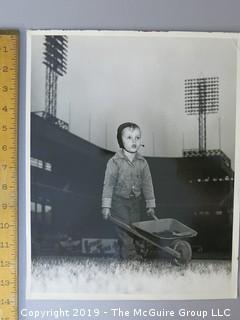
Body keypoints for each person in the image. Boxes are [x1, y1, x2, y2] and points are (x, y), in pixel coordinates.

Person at [101, 122, 156, 259]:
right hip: (118, 200)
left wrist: (150, 205)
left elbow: (147, 184)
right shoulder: (114, 162)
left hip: (135, 201)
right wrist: (106, 206)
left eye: (137, 138)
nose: (134, 141)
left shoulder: (143, 163)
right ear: (121, 140)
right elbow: (108, 185)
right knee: (125, 228)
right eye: (129, 138)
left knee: (136, 229)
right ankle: (131, 256)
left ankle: (136, 251)